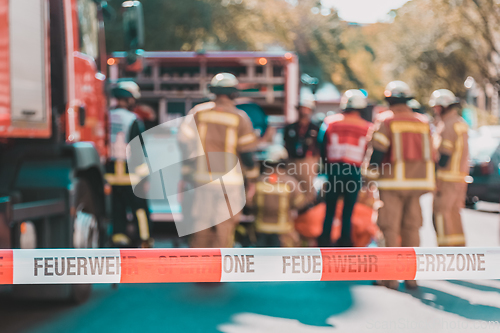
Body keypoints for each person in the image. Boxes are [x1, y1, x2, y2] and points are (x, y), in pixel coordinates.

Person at [365, 81, 435, 290]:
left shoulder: (386, 120)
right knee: (412, 228)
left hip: (391, 185)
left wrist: (367, 179)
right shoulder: (422, 122)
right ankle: (411, 277)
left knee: (389, 228)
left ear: (389, 100)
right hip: (416, 186)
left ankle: (390, 278)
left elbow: (377, 151)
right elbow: (433, 153)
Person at [178, 73, 259, 248]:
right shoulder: (240, 117)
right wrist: (252, 179)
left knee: (201, 225)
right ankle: (223, 270)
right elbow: (247, 154)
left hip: (202, 181)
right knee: (225, 228)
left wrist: (185, 175)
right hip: (230, 184)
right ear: (233, 93)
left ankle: (199, 270)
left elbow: (184, 144)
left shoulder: (198, 113)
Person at [317, 89, 372, 247]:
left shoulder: (330, 122)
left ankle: (325, 241)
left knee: (330, 208)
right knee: (348, 211)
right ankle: (345, 242)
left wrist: (326, 167)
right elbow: (370, 151)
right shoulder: (368, 127)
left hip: (334, 170)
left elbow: (322, 145)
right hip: (354, 171)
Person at [105, 81, 153, 248]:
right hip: (131, 175)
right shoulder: (132, 119)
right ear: (130, 99)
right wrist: (145, 177)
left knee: (117, 209)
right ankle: (145, 240)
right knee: (140, 210)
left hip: (111, 174)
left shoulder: (106, 117)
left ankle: (119, 239)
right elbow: (138, 150)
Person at [429, 89, 469, 247]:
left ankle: (444, 254)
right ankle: (459, 253)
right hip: (459, 178)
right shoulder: (460, 123)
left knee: (441, 215)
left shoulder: (447, 125)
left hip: (446, 179)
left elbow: (444, 157)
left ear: (443, 107)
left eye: (437, 107)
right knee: (454, 215)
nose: (435, 110)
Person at [252, 145, 307, 247]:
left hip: (260, 232)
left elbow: (250, 202)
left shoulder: (258, 181)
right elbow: (300, 204)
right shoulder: (291, 183)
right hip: (283, 234)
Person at [283, 98, 320, 204]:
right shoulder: (290, 127)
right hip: (292, 160)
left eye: (306, 109)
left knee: (307, 188)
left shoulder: (315, 128)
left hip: (307, 161)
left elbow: (319, 146)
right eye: (302, 109)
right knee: (292, 186)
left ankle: (307, 211)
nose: (304, 111)